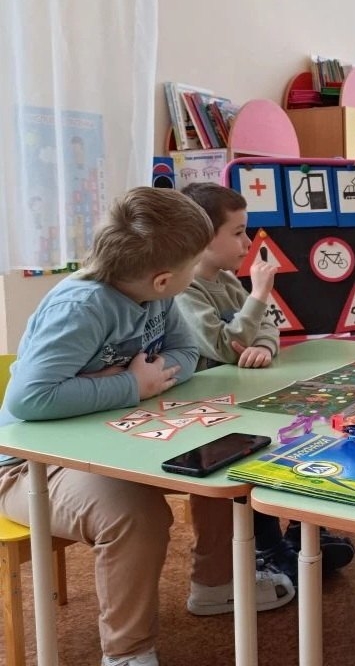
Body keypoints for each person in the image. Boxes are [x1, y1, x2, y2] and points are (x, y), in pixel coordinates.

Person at [0, 187, 294, 666]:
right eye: (194, 262)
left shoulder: (159, 296)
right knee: (134, 513)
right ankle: (126, 653)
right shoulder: (80, 307)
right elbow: (29, 399)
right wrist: (133, 385)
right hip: (28, 467)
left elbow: (185, 354)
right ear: (163, 279)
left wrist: (126, 383)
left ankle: (215, 585)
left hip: (109, 437)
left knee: (225, 455)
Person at [176, 183, 355, 583]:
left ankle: (303, 531)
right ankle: (270, 549)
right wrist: (258, 296)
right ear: (202, 237)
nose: (247, 243)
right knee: (252, 456)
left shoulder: (225, 281)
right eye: (238, 232)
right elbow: (224, 345)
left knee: (301, 432)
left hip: (239, 394)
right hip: (206, 410)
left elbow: (267, 327)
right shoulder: (186, 288)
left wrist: (261, 345)